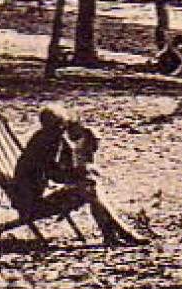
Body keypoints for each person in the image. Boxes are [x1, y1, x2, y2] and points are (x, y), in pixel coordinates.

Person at [11, 106, 145, 247]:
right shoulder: (44, 143)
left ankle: (113, 234)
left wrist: (81, 173)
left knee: (90, 188)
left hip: (33, 199)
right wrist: (80, 174)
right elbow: (55, 175)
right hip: (31, 206)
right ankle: (118, 232)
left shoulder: (46, 138)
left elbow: (59, 170)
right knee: (90, 189)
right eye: (61, 126)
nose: (63, 130)